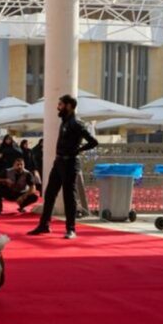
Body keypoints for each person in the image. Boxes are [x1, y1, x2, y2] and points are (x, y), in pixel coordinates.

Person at [29, 94, 99, 239]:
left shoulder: (76, 123)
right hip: (59, 162)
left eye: (60, 104)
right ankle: (44, 225)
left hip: (70, 163)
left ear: (69, 106)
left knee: (69, 196)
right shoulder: (65, 122)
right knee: (49, 193)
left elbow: (93, 142)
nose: (58, 107)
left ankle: (71, 229)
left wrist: (78, 150)